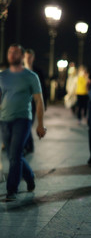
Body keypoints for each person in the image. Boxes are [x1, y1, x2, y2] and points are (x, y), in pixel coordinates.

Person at [0, 44, 47, 201]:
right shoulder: (3, 76)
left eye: (16, 52)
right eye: (10, 52)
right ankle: (30, 176)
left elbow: (39, 101)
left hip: (23, 119)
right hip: (5, 120)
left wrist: (40, 124)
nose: (12, 55)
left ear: (21, 56)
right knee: (14, 155)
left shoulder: (31, 76)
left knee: (14, 155)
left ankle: (11, 190)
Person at [23, 49, 47, 155]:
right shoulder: (20, 70)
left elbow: (44, 89)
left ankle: (28, 146)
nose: (28, 59)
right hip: (23, 103)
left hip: (34, 102)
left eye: (30, 57)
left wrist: (44, 103)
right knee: (25, 124)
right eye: (26, 57)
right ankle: (29, 145)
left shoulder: (38, 71)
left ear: (33, 58)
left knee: (28, 124)